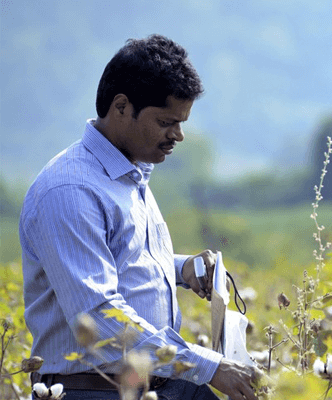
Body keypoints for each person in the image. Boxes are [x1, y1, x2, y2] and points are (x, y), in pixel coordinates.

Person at [20, 34, 257, 399]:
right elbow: (99, 317)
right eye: (166, 121)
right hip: (97, 390)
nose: (178, 134)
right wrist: (208, 367)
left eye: (181, 122)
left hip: (164, 383)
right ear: (121, 107)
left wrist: (181, 269)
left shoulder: (132, 173)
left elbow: (123, 258)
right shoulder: (69, 190)